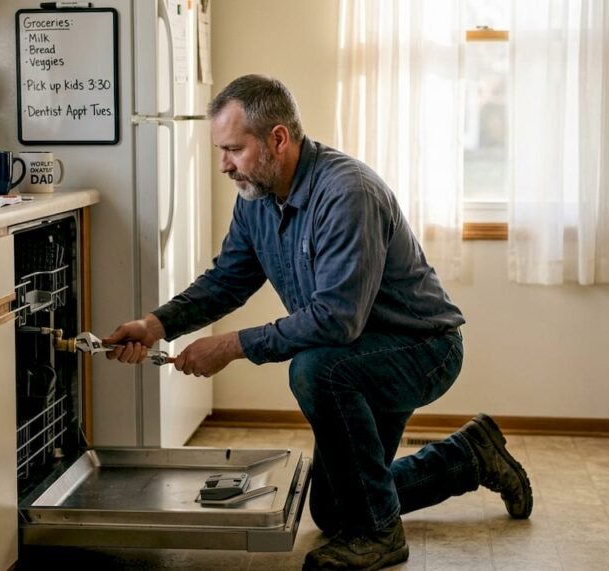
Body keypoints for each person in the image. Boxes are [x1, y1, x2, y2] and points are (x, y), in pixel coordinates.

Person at [104, 74, 533, 571]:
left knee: (315, 368)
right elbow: (227, 280)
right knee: (332, 509)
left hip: (421, 349)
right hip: (359, 352)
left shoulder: (346, 193)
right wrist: (155, 324)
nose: (224, 165)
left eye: (234, 149)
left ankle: (381, 536)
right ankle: (469, 455)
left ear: (278, 140)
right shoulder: (256, 198)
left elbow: (335, 322)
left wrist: (230, 346)